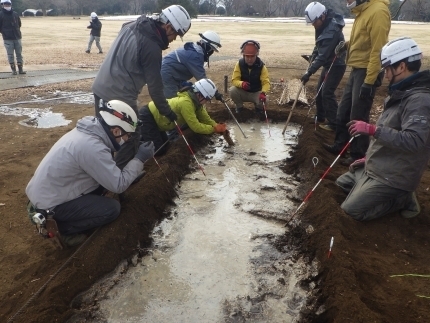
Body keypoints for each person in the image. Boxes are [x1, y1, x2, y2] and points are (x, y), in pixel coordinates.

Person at [26, 100, 155, 247]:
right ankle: (62, 230)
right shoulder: (93, 147)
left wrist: (127, 175)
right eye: (127, 135)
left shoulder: (89, 133)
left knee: (103, 186)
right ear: (116, 131)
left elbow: (107, 173)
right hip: (50, 204)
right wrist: (140, 158)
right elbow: (118, 185)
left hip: (49, 192)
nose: (127, 140)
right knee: (111, 209)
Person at [335, 37, 430, 221]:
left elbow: (414, 141)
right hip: (381, 166)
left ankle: (402, 199)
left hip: (395, 177)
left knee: (350, 210)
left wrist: (372, 130)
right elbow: (391, 131)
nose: (386, 75)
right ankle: (368, 182)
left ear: (401, 67)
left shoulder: (419, 100)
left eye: (387, 69)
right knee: (341, 183)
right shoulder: (403, 91)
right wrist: (369, 157)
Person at [92, 5, 191, 170]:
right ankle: (118, 179)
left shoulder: (133, 24)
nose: (174, 39)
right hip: (120, 96)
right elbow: (155, 87)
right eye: (176, 34)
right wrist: (168, 112)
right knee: (131, 136)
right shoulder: (152, 48)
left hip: (100, 87)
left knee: (106, 135)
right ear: (168, 27)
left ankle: (105, 174)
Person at [323, 0, 390, 164]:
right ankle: (340, 145)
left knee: (358, 115)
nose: (347, 1)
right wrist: (346, 45)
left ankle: (358, 155)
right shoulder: (362, 11)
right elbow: (362, 39)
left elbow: (377, 49)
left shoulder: (378, 12)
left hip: (366, 71)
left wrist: (369, 81)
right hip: (356, 68)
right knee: (344, 111)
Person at [139, 78, 226, 155]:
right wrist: (213, 129)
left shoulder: (197, 103)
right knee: (158, 150)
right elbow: (195, 126)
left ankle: (144, 136)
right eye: (207, 99)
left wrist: (215, 125)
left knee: (166, 146)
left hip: (159, 121)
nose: (206, 102)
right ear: (200, 95)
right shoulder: (186, 103)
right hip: (148, 116)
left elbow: (205, 118)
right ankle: (138, 143)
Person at [301, 2, 346, 132]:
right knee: (319, 91)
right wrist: (312, 56)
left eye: (314, 22)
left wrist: (309, 73)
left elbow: (323, 55)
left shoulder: (332, 30)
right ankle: (320, 117)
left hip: (336, 64)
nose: (313, 25)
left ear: (322, 16)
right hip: (328, 63)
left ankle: (334, 123)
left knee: (327, 92)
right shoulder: (322, 26)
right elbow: (319, 46)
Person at [161, 30, 221, 99]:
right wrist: (215, 93)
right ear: (206, 46)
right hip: (167, 75)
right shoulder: (194, 55)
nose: (211, 52)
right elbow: (202, 78)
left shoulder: (195, 50)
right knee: (172, 101)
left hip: (174, 76)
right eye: (211, 49)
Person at [229, 40, 270, 116]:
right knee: (232, 90)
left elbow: (266, 82)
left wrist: (263, 92)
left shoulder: (262, 66)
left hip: (256, 93)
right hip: (243, 92)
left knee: (265, 99)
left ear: (256, 55)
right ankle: (239, 107)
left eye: (252, 56)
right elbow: (234, 80)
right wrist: (242, 84)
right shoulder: (239, 64)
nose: (249, 59)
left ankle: (258, 109)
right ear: (243, 55)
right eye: (247, 56)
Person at [0, 0, 25, 75]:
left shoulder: (15, 14)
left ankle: (20, 69)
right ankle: (13, 70)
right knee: (10, 54)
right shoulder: (0, 14)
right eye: (6, 4)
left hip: (17, 37)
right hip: (7, 38)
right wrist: (4, 32)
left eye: (8, 4)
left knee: (19, 54)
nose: (7, 5)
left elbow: (19, 24)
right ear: (2, 5)